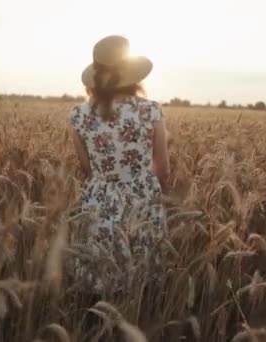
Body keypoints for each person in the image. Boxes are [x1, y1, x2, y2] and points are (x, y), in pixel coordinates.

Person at [67, 35, 170, 301]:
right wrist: (159, 197)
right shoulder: (151, 111)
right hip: (143, 196)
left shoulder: (78, 115)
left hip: (100, 197)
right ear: (133, 76)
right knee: (142, 276)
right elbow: (163, 167)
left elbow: (86, 167)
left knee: (101, 275)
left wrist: (107, 184)